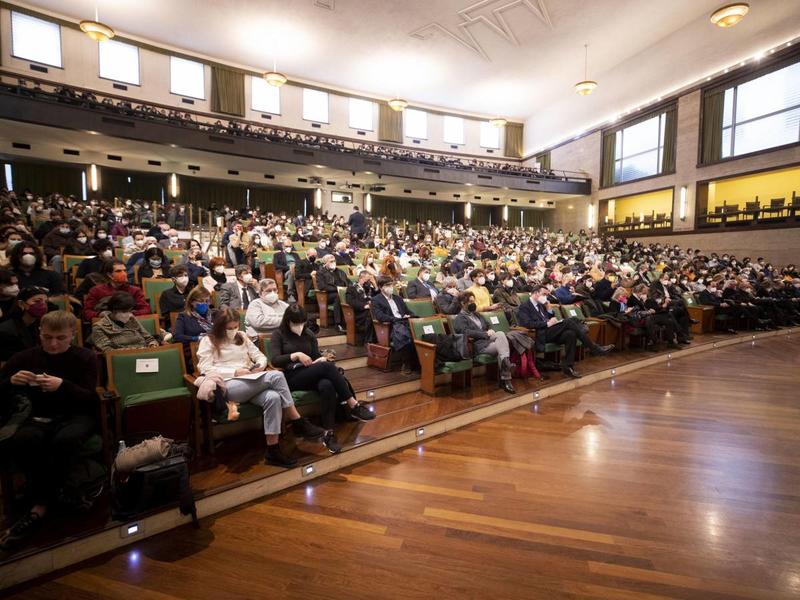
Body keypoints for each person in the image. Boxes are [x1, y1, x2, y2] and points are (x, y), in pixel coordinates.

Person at [0, 311, 98, 549]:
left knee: (64, 439)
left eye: (60, 338)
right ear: (40, 334)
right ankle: (63, 492)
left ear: (72, 335)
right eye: (47, 337)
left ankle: (39, 504)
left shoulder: (86, 357)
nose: (53, 344)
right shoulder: (25, 357)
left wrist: (63, 386)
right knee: (25, 439)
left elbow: (90, 398)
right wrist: (10, 382)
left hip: (76, 415)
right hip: (37, 415)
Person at [195, 308, 325, 467]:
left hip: (251, 380)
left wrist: (259, 366)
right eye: (229, 328)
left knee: (273, 397)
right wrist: (235, 371)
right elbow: (205, 368)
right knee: (277, 376)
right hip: (229, 385)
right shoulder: (208, 341)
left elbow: (260, 356)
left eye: (235, 327)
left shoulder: (241, 336)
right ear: (219, 326)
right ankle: (297, 420)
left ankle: (273, 450)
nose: (233, 331)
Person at [270, 305, 375, 453]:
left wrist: (320, 359)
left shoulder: (308, 334)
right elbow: (274, 360)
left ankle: (328, 433)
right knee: (327, 368)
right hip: (290, 376)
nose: (299, 326)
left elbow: (314, 356)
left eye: (302, 323)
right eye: (296, 323)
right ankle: (353, 405)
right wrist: (295, 355)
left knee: (327, 385)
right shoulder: (278, 334)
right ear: (288, 321)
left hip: (309, 372)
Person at [517, 285, 613, 379]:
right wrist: (547, 324)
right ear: (536, 293)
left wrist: (549, 308)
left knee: (571, 334)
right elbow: (527, 323)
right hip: (540, 334)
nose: (545, 297)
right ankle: (594, 348)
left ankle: (568, 367)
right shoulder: (524, 306)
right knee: (569, 322)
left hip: (551, 330)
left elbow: (548, 317)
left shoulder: (541, 305)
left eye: (546, 294)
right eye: (544, 294)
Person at [453, 291, 516, 393]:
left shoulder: (477, 314)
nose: (473, 303)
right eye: (470, 302)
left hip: (488, 340)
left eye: (474, 301)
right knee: (503, 347)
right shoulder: (459, 318)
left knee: (500, 333)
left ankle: (505, 367)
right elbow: (465, 332)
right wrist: (485, 334)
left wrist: (490, 330)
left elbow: (487, 324)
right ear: (462, 303)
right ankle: (506, 380)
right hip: (478, 345)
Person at [371, 276, 418, 375]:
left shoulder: (398, 298)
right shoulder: (376, 300)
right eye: (387, 285)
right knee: (404, 335)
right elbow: (380, 316)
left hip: (404, 321)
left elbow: (407, 311)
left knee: (419, 331)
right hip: (391, 325)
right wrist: (396, 319)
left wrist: (409, 315)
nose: (391, 287)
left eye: (391, 285)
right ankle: (407, 363)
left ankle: (420, 362)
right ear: (381, 287)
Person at [91, 291, 159, 352]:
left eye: (129, 311)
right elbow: (108, 351)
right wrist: (137, 351)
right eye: (124, 311)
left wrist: (152, 345)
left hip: (146, 354)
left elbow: (149, 338)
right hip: (124, 359)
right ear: (114, 310)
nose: (128, 314)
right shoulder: (99, 327)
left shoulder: (131, 319)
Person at [83, 259, 150, 320]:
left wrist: (130, 314)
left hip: (129, 324)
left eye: (125, 270)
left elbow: (145, 309)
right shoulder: (96, 290)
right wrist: (100, 314)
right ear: (110, 275)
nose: (123, 273)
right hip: (105, 324)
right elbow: (87, 312)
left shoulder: (135, 290)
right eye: (118, 271)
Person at [0, 287, 50, 361]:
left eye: (45, 302)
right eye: (37, 301)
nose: (43, 305)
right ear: (21, 304)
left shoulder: (43, 324)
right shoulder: (6, 331)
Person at [316, 254, 349, 332]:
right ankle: (338, 324)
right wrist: (337, 289)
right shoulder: (320, 273)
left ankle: (351, 322)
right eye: (331, 261)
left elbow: (348, 282)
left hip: (343, 292)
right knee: (338, 297)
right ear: (325, 263)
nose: (333, 262)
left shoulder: (340, 271)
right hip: (329, 295)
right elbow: (322, 287)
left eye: (334, 261)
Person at [345, 269, 376, 341]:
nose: (368, 282)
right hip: (359, 312)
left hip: (370, 309)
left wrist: (374, 284)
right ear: (361, 279)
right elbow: (350, 301)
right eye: (367, 280)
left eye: (369, 280)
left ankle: (378, 337)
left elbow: (377, 297)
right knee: (370, 313)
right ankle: (368, 340)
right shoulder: (352, 288)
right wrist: (364, 306)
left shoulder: (369, 288)